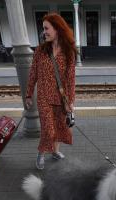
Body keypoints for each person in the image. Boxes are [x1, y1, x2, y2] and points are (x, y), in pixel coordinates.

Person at [25, 13, 76, 170]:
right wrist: (28, 94)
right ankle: (41, 153)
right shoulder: (40, 51)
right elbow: (33, 72)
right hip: (44, 97)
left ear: (58, 29)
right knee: (48, 128)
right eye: (43, 29)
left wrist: (70, 102)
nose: (44, 32)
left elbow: (70, 79)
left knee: (60, 126)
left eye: (47, 28)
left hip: (60, 98)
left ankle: (55, 152)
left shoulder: (69, 52)